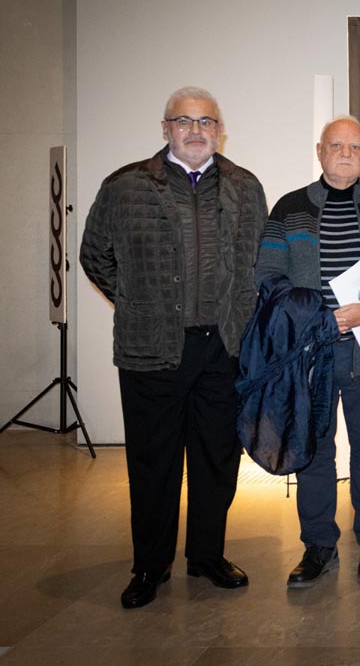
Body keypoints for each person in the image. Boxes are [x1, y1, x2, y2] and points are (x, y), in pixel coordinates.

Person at [79, 86, 266, 609]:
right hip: (152, 350)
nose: (195, 130)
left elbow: (256, 261)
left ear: (220, 130)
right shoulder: (125, 186)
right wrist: (140, 304)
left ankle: (207, 555)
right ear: (165, 129)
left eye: (206, 122)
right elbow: (95, 255)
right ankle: (150, 565)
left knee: (216, 459)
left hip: (223, 347)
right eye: (184, 121)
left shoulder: (246, 187)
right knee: (153, 462)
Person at [254, 116, 360, 588]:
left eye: (355, 147)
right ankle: (318, 545)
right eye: (337, 145)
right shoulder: (289, 208)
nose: (346, 153)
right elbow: (267, 274)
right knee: (313, 451)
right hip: (309, 354)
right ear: (320, 151)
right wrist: (312, 316)